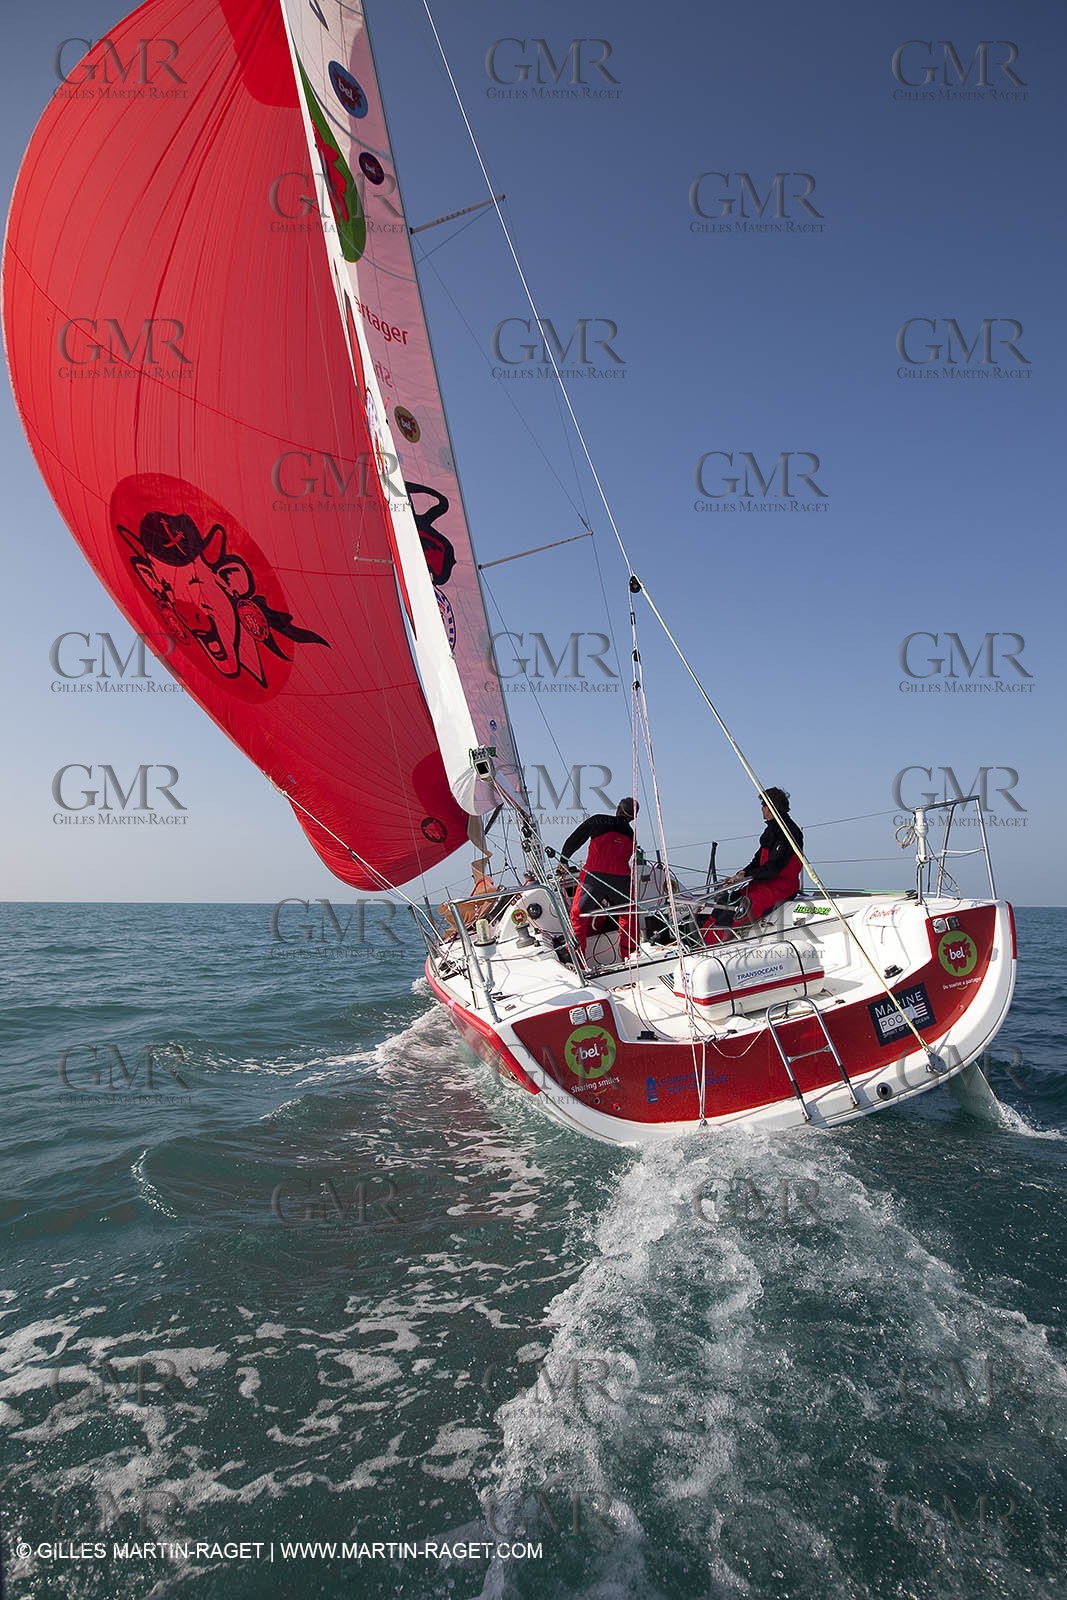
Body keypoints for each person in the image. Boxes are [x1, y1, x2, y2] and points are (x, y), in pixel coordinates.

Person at [704, 787, 803, 941]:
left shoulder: (787, 832)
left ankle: (713, 943)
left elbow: (773, 870)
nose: (761, 809)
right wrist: (742, 873)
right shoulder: (772, 830)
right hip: (763, 884)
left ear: (771, 808)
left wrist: (748, 875)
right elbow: (757, 860)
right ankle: (702, 939)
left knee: (741, 908)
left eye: (763, 805)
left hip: (780, 888)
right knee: (728, 899)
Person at [559, 798, 639, 958]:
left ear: (618, 809)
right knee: (629, 914)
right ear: (633, 818)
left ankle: (577, 961)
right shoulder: (631, 835)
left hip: (594, 877)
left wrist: (563, 860)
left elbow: (575, 839)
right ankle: (630, 958)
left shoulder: (600, 820)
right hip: (622, 879)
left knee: (578, 915)